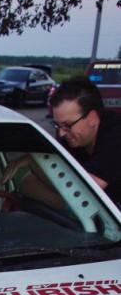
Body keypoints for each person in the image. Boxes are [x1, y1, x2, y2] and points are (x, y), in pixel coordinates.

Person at [49, 76, 121, 208]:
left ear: (92, 118)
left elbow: (85, 193)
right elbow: (28, 183)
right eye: (57, 125)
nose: (61, 133)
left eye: (67, 125)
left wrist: (34, 164)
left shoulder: (116, 137)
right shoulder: (74, 138)